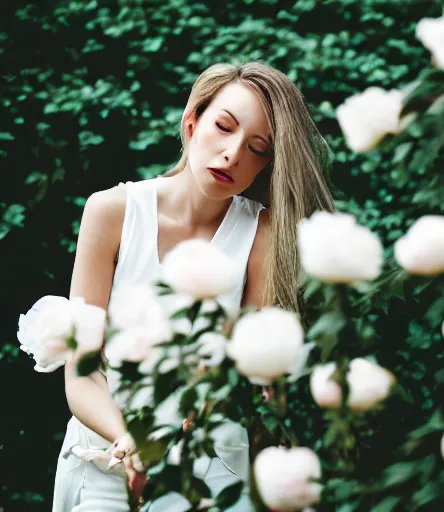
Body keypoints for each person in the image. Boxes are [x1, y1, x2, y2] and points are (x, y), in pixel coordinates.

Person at [52, 61, 335, 512]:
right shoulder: (109, 212)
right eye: (224, 127)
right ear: (192, 120)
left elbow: (242, 376)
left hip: (208, 461)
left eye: (257, 149)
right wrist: (132, 441)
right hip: (103, 455)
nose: (233, 154)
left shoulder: (263, 234)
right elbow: (81, 375)